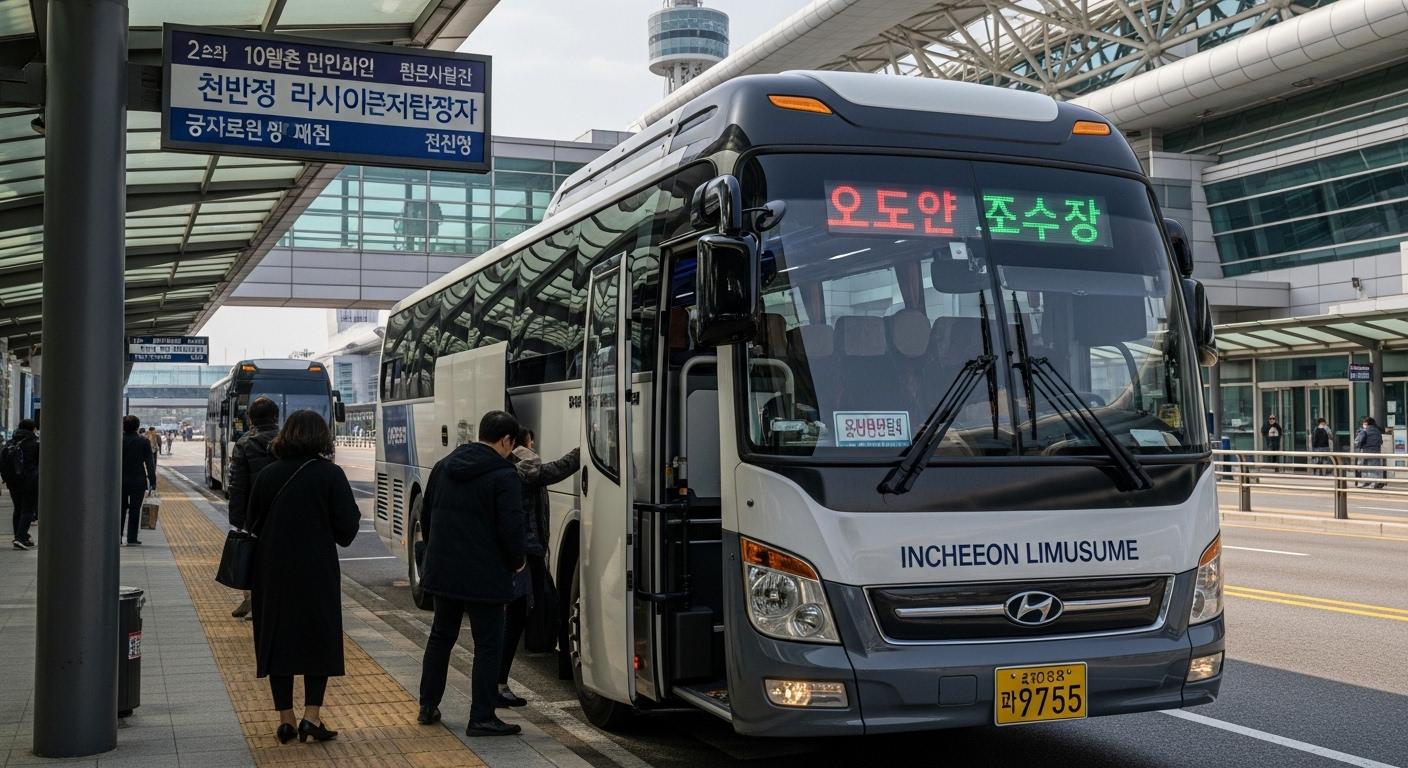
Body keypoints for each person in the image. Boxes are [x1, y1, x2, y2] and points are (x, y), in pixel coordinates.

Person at [245, 410, 360, 745]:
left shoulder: (267, 475)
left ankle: (285, 719)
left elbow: (251, 522)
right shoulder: (330, 475)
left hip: (271, 570)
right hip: (316, 570)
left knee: (276, 637)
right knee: (317, 638)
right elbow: (347, 531)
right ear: (321, 437)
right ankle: (312, 716)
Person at [417, 410, 526, 737]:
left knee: (441, 636)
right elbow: (511, 527)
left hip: (444, 570)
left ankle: (427, 705)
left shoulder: (443, 466)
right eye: (512, 444)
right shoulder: (504, 475)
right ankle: (481, 717)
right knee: (488, 644)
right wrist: (517, 561)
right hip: (485, 576)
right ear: (506, 441)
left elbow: (426, 514)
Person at [500, 429, 579, 707]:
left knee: (525, 613)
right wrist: (585, 452)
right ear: (523, 443)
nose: (534, 445)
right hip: (528, 556)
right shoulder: (525, 465)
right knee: (523, 615)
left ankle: (499, 682)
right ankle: (498, 683)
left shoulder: (511, 465)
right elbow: (554, 470)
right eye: (531, 440)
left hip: (526, 554)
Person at [227, 396, 280, 619]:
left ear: (250, 418)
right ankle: (267, 602)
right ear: (276, 417)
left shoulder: (245, 443)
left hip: (253, 511)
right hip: (282, 509)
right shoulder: (287, 440)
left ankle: (254, 601)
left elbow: (237, 485)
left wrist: (237, 519)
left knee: (253, 557)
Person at [120, 416, 157, 546]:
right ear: (137, 427)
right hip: (138, 480)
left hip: (120, 481)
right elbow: (149, 463)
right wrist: (152, 481)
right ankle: (132, 538)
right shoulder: (143, 442)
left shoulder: (118, 440)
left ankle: (118, 536)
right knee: (135, 509)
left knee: (120, 509)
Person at [5, 419, 38, 550]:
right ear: (33, 429)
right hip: (30, 482)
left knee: (18, 509)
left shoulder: (10, 443)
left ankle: (20, 536)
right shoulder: (34, 444)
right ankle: (20, 537)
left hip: (13, 483)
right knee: (28, 510)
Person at [1355, 416, 1386, 489]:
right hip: (1376, 451)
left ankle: (1368, 482)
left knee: (1366, 467)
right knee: (1375, 467)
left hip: (1366, 451)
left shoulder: (1364, 431)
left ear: (1367, 424)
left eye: (1365, 423)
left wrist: (1359, 446)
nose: (1364, 425)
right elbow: (1381, 441)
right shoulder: (1377, 431)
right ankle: (1377, 482)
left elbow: (1358, 441)